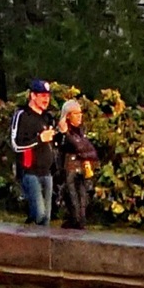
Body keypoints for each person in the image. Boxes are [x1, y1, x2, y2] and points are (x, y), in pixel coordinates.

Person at [7, 79, 58, 226]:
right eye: (42, 96)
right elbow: (16, 145)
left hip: (47, 172)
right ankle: (28, 229)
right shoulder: (22, 116)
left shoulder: (48, 117)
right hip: (29, 171)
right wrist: (39, 139)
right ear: (33, 96)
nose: (46, 100)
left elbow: (52, 143)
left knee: (46, 219)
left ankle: (36, 241)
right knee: (39, 213)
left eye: (47, 96)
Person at [54, 94, 99, 231]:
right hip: (69, 170)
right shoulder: (63, 133)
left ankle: (78, 224)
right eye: (76, 114)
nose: (80, 117)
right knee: (74, 204)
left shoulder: (80, 132)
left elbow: (88, 149)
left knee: (82, 204)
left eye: (80, 113)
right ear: (68, 116)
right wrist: (65, 133)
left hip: (82, 169)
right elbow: (76, 146)